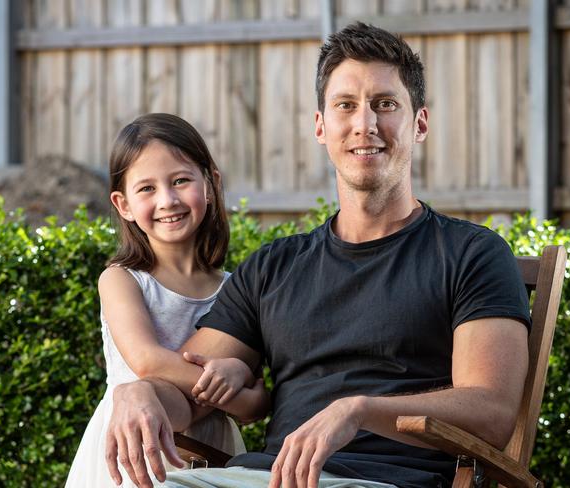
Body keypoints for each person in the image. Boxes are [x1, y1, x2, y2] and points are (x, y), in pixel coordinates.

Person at [105, 23, 532, 488]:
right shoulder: (274, 268)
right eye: (345, 105)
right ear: (321, 126)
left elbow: (492, 411)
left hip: (387, 481)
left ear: (420, 123)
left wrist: (360, 411)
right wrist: (139, 392)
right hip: (262, 479)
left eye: (385, 105)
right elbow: (192, 392)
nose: (364, 124)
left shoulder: (471, 254)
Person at [65, 113, 269, 487]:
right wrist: (224, 386)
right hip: (133, 445)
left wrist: (239, 376)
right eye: (146, 189)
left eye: (180, 180)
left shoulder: (236, 289)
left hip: (210, 450)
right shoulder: (122, 280)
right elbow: (147, 360)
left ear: (210, 184)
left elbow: (257, 404)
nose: (168, 200)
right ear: (123, 204)